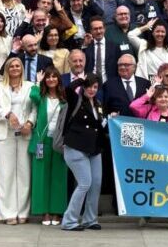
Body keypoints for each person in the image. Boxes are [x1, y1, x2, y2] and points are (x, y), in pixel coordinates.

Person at [0, 57, 35, 224]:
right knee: (6, 173)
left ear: (22, 68)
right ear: (7, 69)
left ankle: (23, 211)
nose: (15, 68)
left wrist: (30, 123)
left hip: (24, 134)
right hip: (5, 133)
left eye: (18, 66)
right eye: (12, 66)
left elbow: (35, 108)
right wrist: (8, 115)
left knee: (24, 174)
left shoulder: (31, 86)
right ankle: (8, 212)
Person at [60, 73, 107, 231]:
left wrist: (109, 119)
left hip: (94, 148)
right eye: (89, 86)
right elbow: (68, 88)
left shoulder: (98, 104)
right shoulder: (76, 100)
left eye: (95, 87)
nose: (92, 90)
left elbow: (99, 126)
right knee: (84, 183)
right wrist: (81, 80)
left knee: (96, 184)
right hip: (75, 147)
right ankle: (69, 221)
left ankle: (90, 219)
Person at [29, 66, 68, 226]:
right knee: (41, 178)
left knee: (59, 177)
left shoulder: (64, 99)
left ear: (59, 79)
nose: (51, 79)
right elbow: (33, 95)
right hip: (42, 142)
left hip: (59, 142)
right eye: (48, 77)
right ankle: (44, 212)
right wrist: (37, 82)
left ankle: (56, 212)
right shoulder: (42, 96)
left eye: (54, 77)